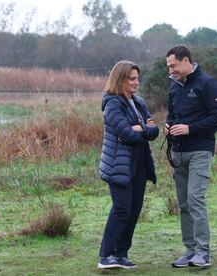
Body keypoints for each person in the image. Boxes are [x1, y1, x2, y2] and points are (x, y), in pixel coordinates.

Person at [164, 45, 217, 268]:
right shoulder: (173, 88)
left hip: (200, 150)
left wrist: (190, 128)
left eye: (173, 65)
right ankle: (190, 251)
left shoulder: (208, 84)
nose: (170, 70)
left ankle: (203, 252)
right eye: (168, 67)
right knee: (183, 204)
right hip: (178, 153)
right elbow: (171, 115)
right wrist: (168, 126)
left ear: (186, 61)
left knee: (195, 199)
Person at [98, 60, 159, 269]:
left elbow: (154, 130)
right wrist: (142, 129)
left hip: (140, 165)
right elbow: (125, 133)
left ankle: (122, 254)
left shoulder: (138, 102)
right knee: (121, 209)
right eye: (132, 79)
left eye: (137, 78)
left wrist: (140, 128)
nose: (136, 82)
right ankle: (106, 255)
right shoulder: (113, 103)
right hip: (119, 165)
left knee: (133, 211)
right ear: (120, 79)